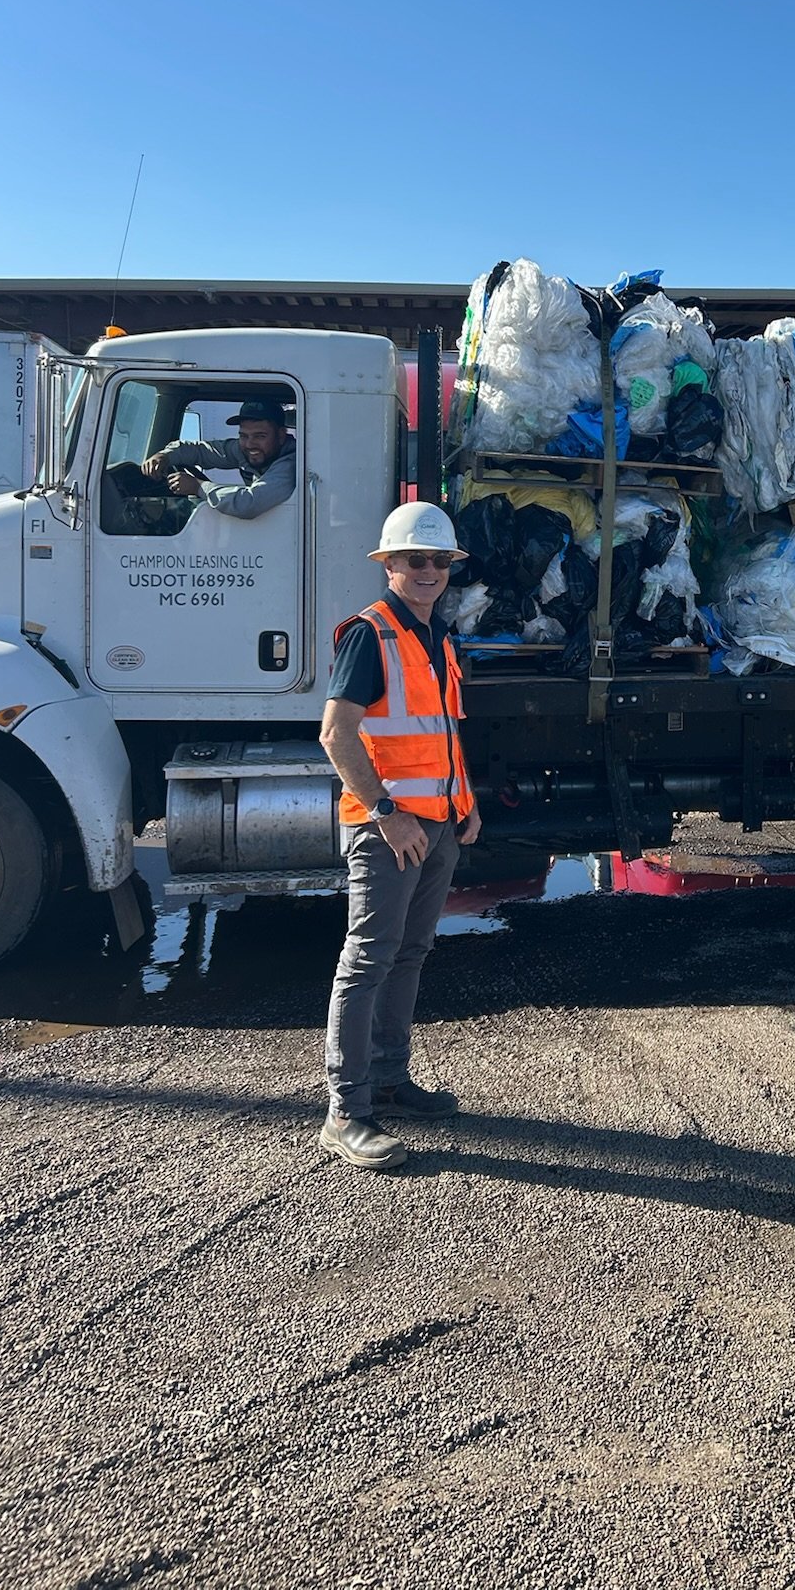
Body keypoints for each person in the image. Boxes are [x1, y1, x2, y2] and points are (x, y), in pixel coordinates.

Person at [317, 501, 482, 1171]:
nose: (429, 571)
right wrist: (386, 812)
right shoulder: (371, 634)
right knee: (367, 959)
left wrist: (464, 805)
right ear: (388, 565)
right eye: (416, 559)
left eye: (440, 560)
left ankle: (390, 1076)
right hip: (389, 830)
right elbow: (336, 734)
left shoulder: (436, 638)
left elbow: (441, 736)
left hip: (437, 825)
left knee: (409, 953)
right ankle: (345, 1112)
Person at [139, 398, 297, 519]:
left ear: (281, 435)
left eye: (260, 436)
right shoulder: (249, 450)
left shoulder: (292, 465)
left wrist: (198, 487)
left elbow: (248, 503)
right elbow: (201, 451)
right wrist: (164, 456)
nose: (250, 444)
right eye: (243, 435)